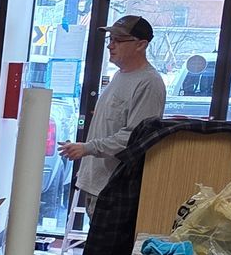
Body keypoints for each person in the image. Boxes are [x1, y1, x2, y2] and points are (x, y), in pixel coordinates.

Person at [59, 15, 167, 216]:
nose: (111, 45)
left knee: (108, 249)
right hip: (96, 183)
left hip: (115, 188)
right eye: (110, 39)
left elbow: (135, 137)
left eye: (118, 40)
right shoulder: (120, 75)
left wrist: (88, 148)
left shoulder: (149, 83)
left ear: (141, 45)